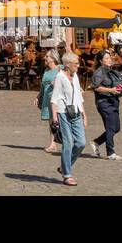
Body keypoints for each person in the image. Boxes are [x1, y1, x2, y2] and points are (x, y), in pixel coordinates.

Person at [51, 53, 86, 186]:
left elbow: (78, 96)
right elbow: (54, 99)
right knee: (68, 142)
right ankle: (67, 175)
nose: (78, 65)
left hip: (76, 112)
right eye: (75, 63)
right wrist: (55, 119)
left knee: (81, 143)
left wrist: (84, 114)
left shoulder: (75, 76)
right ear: (67, 64)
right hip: (63, 112)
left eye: (77, 63)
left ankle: (65, 166)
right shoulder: (60, 77)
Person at [89, 48, 122, 160]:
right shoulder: (99, 72)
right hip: (103, 102)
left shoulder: (111, 70)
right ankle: (110, 153)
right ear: (101, 61)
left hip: (113, 101)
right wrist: (111, 90)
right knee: (110, 128)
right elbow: (95, 87)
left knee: (116, 128)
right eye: (106, 58)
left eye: (110, 57)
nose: (109, 60)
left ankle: (96, 142)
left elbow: (121, 64)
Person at [35, 50, 61, 154]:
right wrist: (38, 97)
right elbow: (43, 86)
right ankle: (52, 143)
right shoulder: (46, 71)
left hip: (58, 100)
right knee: (51, 122)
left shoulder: (60, 69)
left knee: (61, 121)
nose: (45, 58)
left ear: (53, 59)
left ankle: (68, 142)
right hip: (47, 99)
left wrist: (56, 83)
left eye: (47, 56)